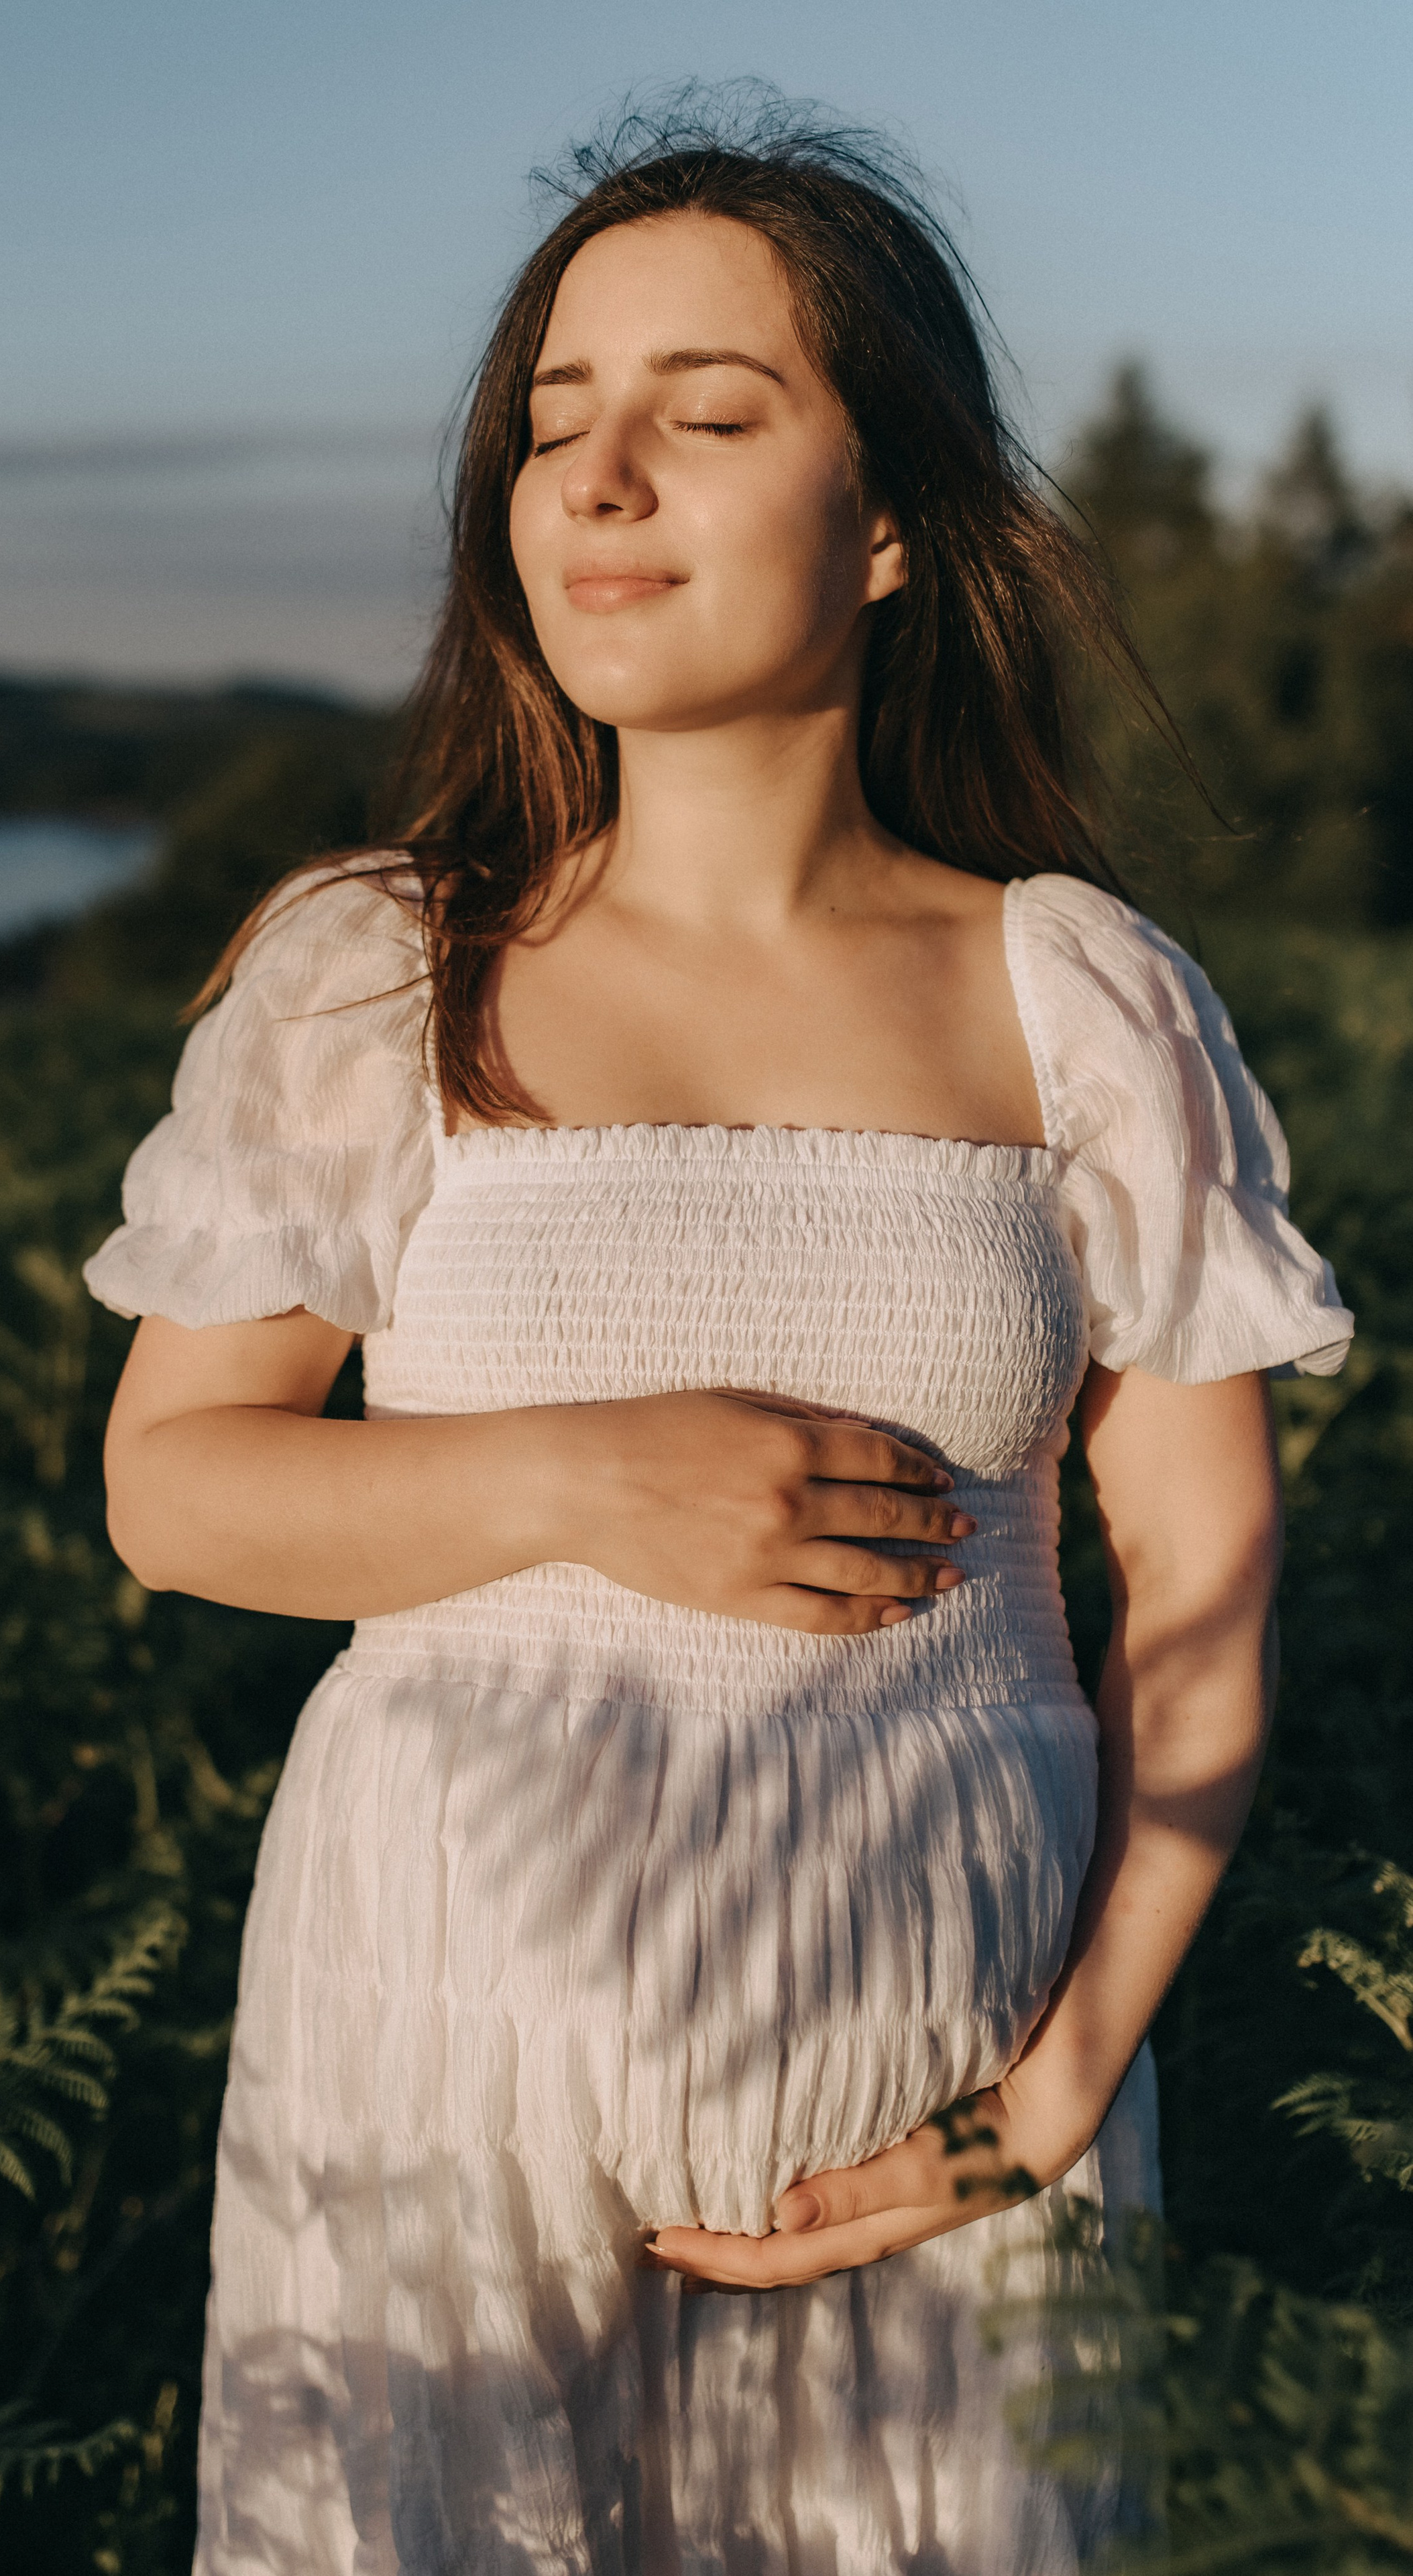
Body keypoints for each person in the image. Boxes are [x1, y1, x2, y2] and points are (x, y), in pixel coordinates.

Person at [86, 99, 1353, 2576]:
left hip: (943, 2127)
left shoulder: (1072, 995)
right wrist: (588, 1473)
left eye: (710, 411)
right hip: (436, 2094)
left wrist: (1046, 2105)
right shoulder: (387, 966)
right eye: (557, 424)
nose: (604, 479)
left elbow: (1204, 1592)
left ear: (891, 523)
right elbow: (179, 1481)